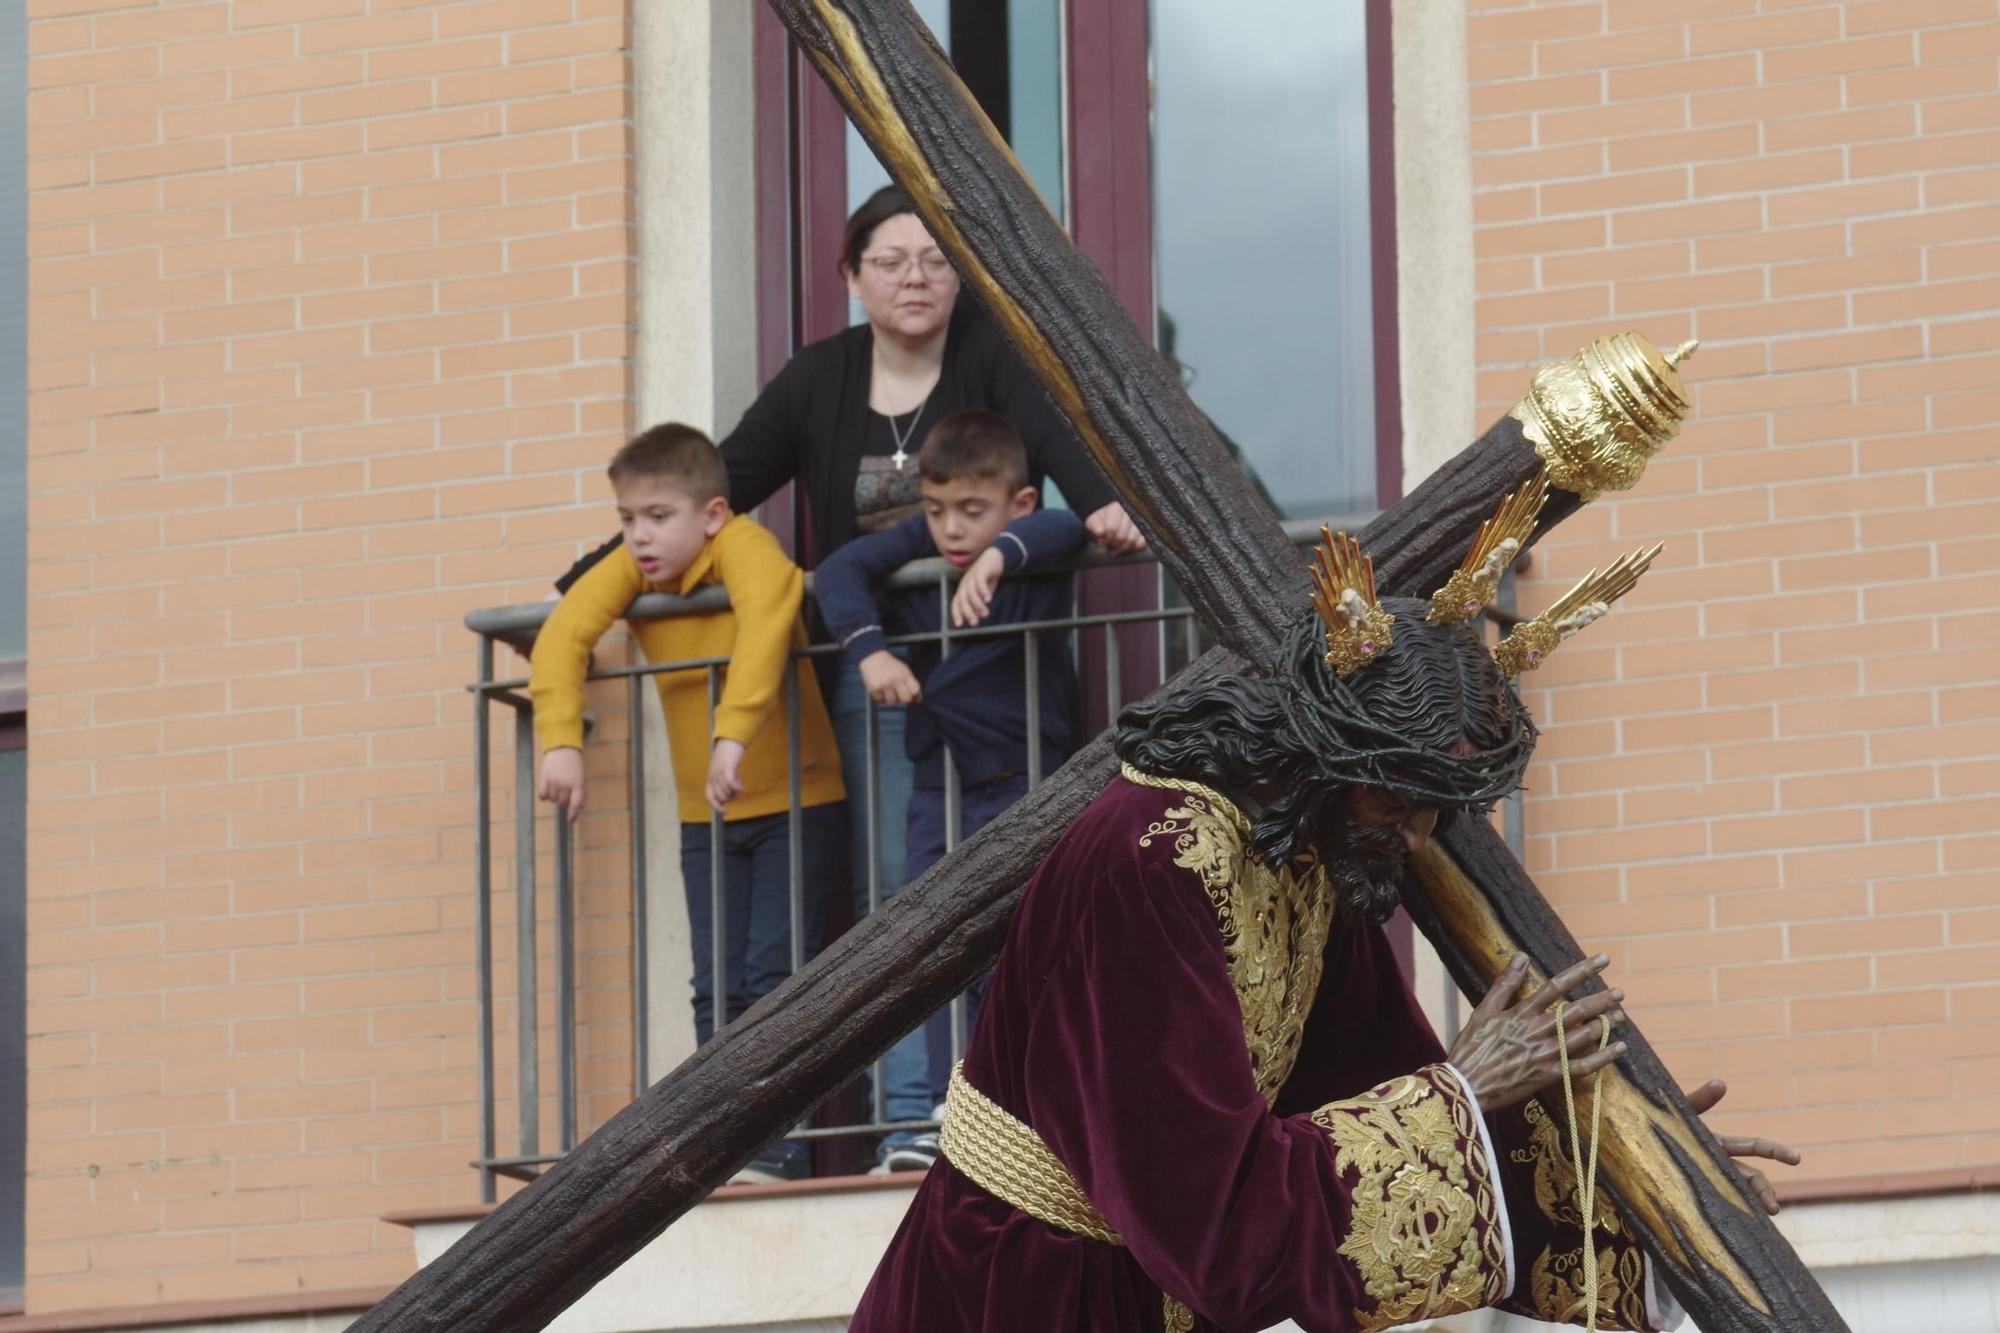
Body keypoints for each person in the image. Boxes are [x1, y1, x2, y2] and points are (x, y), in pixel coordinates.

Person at [848, 532, 1800, 1330]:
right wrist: (1462, 1088)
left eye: (1441, 809)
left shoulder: (1310, 853)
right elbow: (1220, 1223)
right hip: (1011, 1292)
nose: (1422, 835)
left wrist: (1643, 1186)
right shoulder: (1152, 863)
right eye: (1403, 799)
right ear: (1329, 750)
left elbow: (1379, 1084)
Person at [556, 185, 1145, 930]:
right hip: (881, 673)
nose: (915, 277)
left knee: (1021, 888)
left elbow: (1059, 445)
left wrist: (1102, 503)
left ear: (961, 274)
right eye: (892, 261)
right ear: (852, 276)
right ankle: (920, 1052)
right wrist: (583, 588)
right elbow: (718, 487)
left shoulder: (995, 354)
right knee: (900, 896)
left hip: (1000, 667)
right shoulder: (818, 379)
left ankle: (1000, 1048)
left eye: (936, 260)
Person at [530, 424, 845, 1185]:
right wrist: (560, 739)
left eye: (657, 516)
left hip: (799, 800)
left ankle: (778, 1148)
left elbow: (770, 617)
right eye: (628, 518)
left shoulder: (743, 545)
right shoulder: (637, 569)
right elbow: (564, 632)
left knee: (776, 979)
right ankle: (722, 1141)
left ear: (709, 514)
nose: (640, 535)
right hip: (707, 816)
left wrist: (732, 735)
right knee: (716, 985)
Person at [815, 410, 1087, 1173]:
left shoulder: (1034, 539)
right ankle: (943, 1105)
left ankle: (1024, 1100)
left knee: (1019, 938)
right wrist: (870, 653)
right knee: (935, 936)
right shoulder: (925, 542)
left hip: (1022, 782)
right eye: (936, 511)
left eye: (973, 511)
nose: (951, 531)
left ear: (1018, 503)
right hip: (940, 781)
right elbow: (839, 571)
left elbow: (1069, 532)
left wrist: (1000, 559)